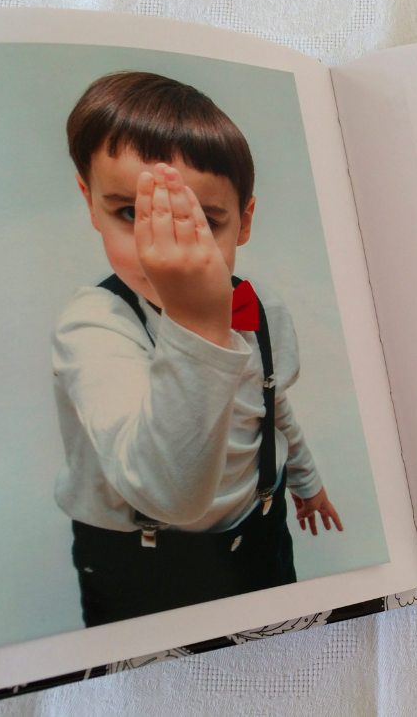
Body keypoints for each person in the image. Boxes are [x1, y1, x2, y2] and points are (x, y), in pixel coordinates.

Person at [51, 71, 342, 627]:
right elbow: (167, 493)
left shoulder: (263, 308)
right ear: (90, 202)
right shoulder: (93, 326)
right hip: (139, 558)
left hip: (258, 530)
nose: (161, 249)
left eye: (203, 221)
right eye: (131, 213)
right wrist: (195, 324)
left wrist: (306, 481)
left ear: (244, 221)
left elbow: (271, 406)